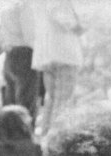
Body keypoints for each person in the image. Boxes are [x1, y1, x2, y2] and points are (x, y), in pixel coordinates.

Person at [30, 0, 84, 136]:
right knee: (63, 102)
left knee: (51, 100)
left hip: (47, 54)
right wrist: (77, 26)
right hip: (64, 53)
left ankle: (46, 140)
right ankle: (57, 141)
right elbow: (59, 15)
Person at [0, 0, 39, 118]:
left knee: (10, 102)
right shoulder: (25, 6)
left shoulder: (6, 9)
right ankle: (24, 133)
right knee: (26, 103)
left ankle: (9, 133)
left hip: (10, 55)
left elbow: (2, 37)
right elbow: (30, 35)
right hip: (25, 54)